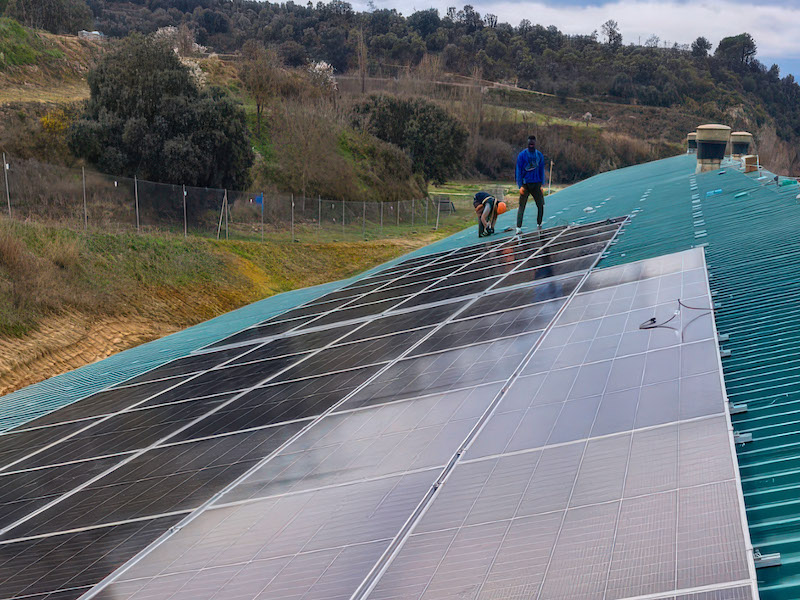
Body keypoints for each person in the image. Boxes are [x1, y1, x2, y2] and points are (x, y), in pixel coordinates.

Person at [515, 134, 547, 234]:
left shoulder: (539, 155)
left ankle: (539, 224)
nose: (531, 145)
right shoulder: (522, 155)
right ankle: (518, 228)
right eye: (530, 143)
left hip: (537, 184)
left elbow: (542, 170)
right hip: (525, 185)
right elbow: (518, 171)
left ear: (535, 143)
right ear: (528, 143)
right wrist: (520, 186)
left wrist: (542, 184)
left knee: (540, 205)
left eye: (533, 143)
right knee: (522, 206)